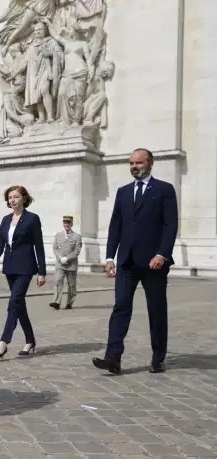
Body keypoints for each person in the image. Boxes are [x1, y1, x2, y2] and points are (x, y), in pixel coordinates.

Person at [92, 148, 178, 375]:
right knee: (120, 307)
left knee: (156, 310)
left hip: (154, 263)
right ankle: (113, 358)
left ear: (150, 164)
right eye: (131, 163)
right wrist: (110, 256)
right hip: (127, 262)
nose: (134, 166)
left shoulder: (164, 190)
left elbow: (171, 225)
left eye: (139, 162)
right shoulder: (123, 192)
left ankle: (158, 357)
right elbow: (115, 226)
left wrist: (162, 254)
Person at [0, 185, 47, 358]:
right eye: (10, 197)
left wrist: (42, 272)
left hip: (26, 267)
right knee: (19, 305)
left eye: (16, 197)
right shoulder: (6, 220)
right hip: (10, 267)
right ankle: (30, 341)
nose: (12, 200)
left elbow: (39, 246)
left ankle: (4, 342)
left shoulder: (33, 219)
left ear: (24, 198)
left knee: (14, 302)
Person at [50, 215, 82, 310]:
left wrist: (67, 258)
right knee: (58, 281)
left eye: (68, 223)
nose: (66, 225)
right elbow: (55, 248)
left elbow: (77, 250)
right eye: (65, 223)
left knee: (71, 285)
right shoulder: (58, 235)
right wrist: (59, 257)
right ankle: (56, 302)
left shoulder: (77, 236)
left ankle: (69, 303)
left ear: (71, 224)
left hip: (71, 265)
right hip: (60, 264)